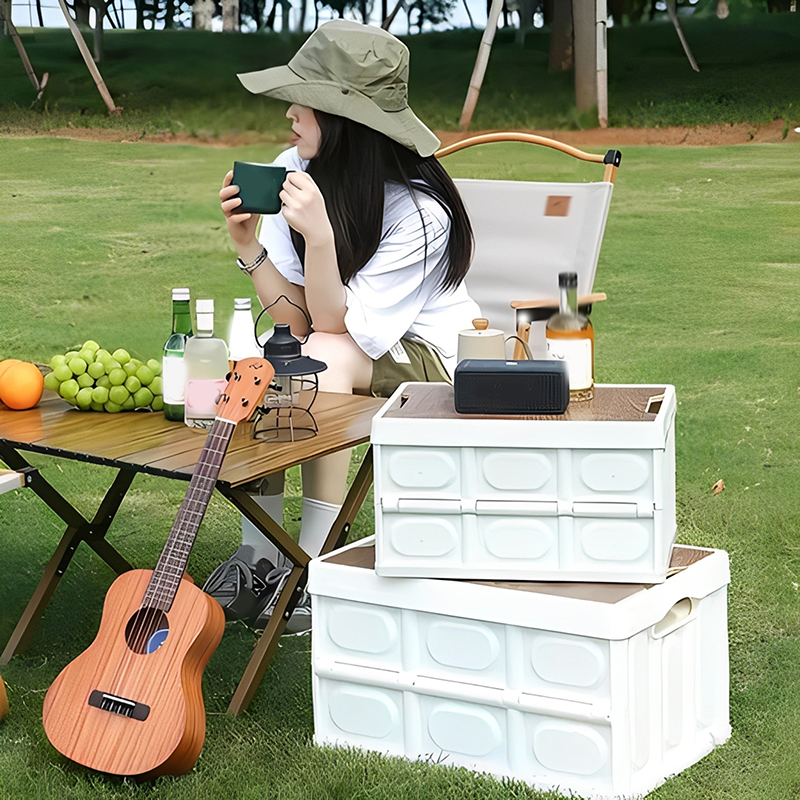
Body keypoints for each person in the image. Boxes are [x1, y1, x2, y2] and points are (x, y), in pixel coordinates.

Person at [203, 19, 480, 630]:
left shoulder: (421, 213)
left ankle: (312, 563)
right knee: (275, 358)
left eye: (304, 101)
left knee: (316, 363)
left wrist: (321, 237)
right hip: (336, 339)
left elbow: (334, 326)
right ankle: (259, 555)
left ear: (345, 120)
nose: (289, 113)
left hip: (431, 358)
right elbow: (296, 318)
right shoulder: (292, 170)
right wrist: (249, 246)